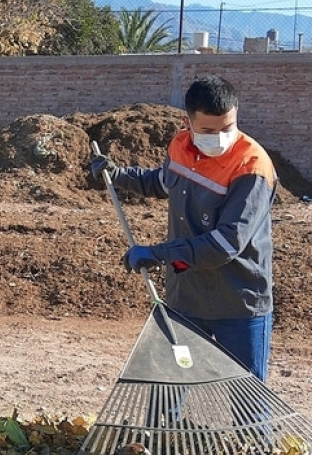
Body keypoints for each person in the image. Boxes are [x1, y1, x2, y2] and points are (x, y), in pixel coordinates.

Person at [91, 75, 278, 382]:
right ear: (188, 122)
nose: (218, 137)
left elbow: (225, 244)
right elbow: (162, 182)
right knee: (170, 384)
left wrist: (158, 253)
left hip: (237, 302)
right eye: (207, 130)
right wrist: (118, 174)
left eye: (227, 128)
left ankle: (252, 434)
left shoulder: (251, 167)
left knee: (246, 398)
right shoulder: (180, 146)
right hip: (185, 299)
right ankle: (167, 431)